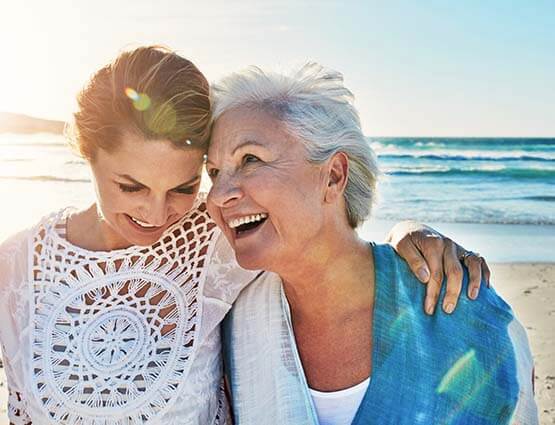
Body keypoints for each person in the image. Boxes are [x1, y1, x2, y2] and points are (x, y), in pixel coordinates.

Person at [0, 46, 488, 424]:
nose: (156, 213)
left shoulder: (215, 242)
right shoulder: (16, 265)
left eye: (185, 186)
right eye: (130, 186)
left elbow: (321, 235)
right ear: (87, 154)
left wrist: (411, 234)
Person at [207, 63, 539, 424]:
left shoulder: (467, 314)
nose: (220, 194)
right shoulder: (232, 319)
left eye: (251, 159)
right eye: (213, 173)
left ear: (333, 177)